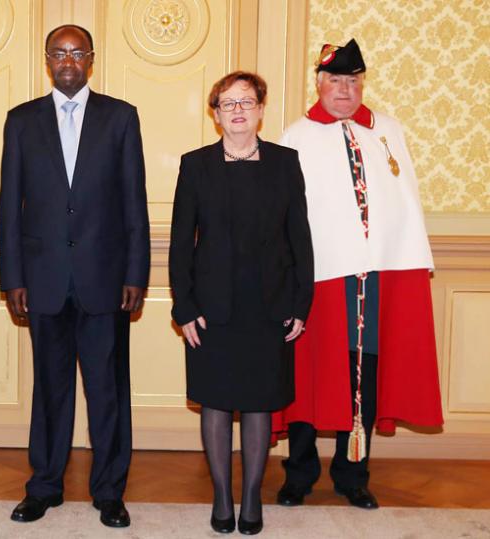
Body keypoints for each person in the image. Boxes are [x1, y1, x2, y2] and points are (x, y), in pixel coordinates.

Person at [274, 39, 443, 510]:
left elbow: (402, 201)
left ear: (362, 83)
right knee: (309, 376)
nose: (344, 90)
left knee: (361, 375)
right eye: (335, 80)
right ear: (319, 84)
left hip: (375, 278)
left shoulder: (387, 130)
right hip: (321, 278)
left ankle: (353, 474)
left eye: (353, 81)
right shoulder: (296, 136)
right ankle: (300, 473)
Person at [0, 24, 150, 529]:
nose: (68, 60)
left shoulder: (120, 117)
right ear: (47, 59)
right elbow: (10, 208)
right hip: (41, 280)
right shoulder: (20, 121)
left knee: (108, 391)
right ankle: (44, 487)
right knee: (50, 389)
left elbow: (134, 203)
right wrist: (12, 277)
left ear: (91, 58)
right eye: (59, 53)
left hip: (105, 280)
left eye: (77, 52)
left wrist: (137, 272)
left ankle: (109, 492)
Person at [169, 71, 314, 535]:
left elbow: (300, 240)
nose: (237, 110)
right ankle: (221, 496)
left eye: (246, 102)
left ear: (260, 110)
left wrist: (300, 302)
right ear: (215, 114)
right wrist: (184, 308)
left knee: (257, 405)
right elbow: (179, 246)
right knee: (214, 404)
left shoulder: (285, 163)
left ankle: (251, 496)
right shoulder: (196, 165)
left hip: (269, 307)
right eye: (227, 103)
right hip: (212, 310)